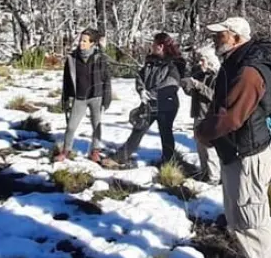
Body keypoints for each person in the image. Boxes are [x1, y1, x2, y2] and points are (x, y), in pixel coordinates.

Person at [195, 17, 271, 258]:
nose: (216, 38)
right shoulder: (237, 62)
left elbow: (232, 117)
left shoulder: (247, 71)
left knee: (253, 222)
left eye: (221, 34)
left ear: (236, 36)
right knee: (242, 219)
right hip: (238, 152)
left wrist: (204, 133)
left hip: (247, 154)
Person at [112, 33, 185, 165]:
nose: (152, 45)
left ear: (161, 46)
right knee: (139, 129)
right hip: (149, 103)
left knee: (165, 133)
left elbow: (172, 84)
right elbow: (140, 77)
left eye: (154, 43)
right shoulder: (150, 62)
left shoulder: (174, 64)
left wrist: (151, 93)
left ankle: (169, 161)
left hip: (167, 105)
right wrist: (141, 90)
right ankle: (120, 157)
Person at [57, 28, 112, 163]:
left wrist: (107, 99)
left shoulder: (100, 58)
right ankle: (65, 151)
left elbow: (106, 80)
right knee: (71, 126)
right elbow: (66, 82)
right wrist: (65, 99)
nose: (81, 43)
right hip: (79, 98)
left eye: (84, 41)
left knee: (96, 126)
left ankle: (95, 152)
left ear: (92, 43)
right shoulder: (72, 58)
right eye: (80, 40)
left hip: (96, 97)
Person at [180, 44, 221, 182]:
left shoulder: (218, 77)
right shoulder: (199, 74)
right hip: (198, 115)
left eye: (202, 60)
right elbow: (193, 94)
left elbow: (215, 96)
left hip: (210, 117)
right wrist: (187, 86)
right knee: (200, 148)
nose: (200, 63)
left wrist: (199, 86)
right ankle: (204, 173)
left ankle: (214, 177)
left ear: (210, 60)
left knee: (210, 149)